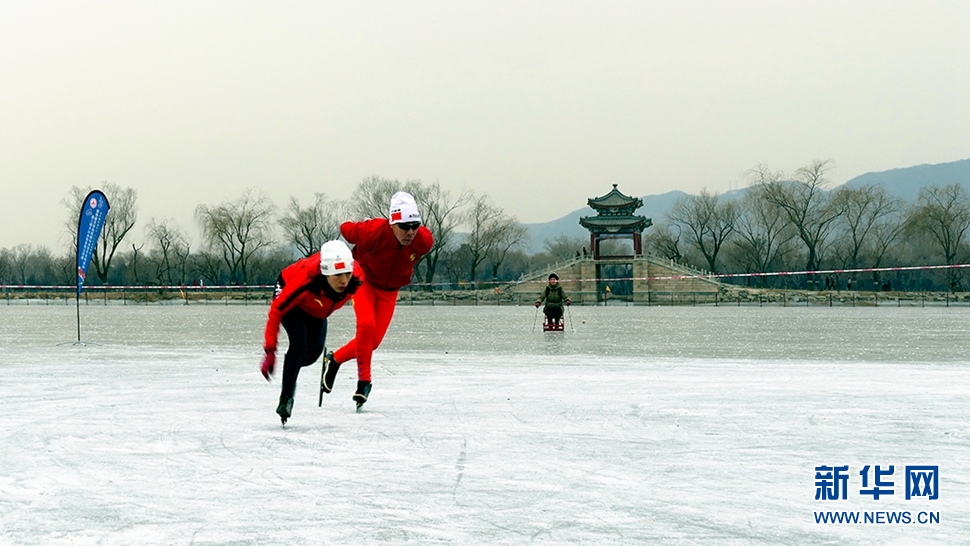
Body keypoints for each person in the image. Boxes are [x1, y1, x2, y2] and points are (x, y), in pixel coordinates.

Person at [322, 191, 433, 409]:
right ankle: (364, 381)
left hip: (389, 290)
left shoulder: (424, 241)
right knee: (366, 325)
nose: (410, 231)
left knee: (371, 343)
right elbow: (346, 229)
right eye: (403, 226)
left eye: (415, 225)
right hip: (363, 280)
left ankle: (334, 360)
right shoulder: (371, 232)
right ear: (392, 223)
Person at [260, 240, 362, 424]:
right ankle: (286, 399)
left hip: (317, 307)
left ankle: (294, 362)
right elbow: (277, 310)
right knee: (298, 343)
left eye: (347, 273)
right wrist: (270, 351)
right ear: (325, 273)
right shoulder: (305, 279)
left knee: (312, 353)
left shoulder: (356, 276)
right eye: (337, 275)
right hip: (291, 291)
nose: (344, 280)